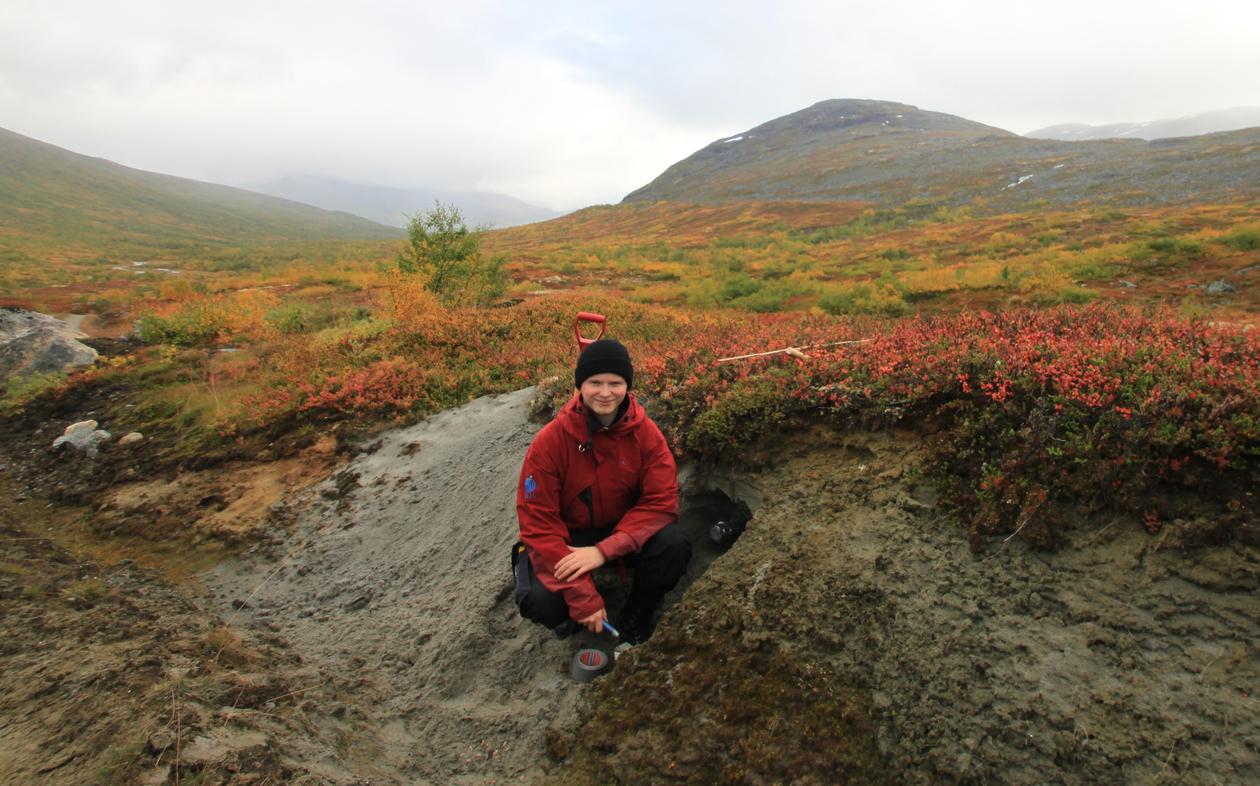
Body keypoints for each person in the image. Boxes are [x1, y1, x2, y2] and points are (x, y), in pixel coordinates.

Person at [513, 338, 691, 644]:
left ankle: (635, 618)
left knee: (673, 545)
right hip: (569, 539)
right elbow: (538, 522)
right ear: (581, 385)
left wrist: (603, 551)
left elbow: (660, 503)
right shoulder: (550, 442)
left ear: (628, 386)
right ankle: (570, 615)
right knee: (541, 603)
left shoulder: (647, 435)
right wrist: (581, 596)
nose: (605, 392)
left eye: (615, 382)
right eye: (595, 382)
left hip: (623, 532)